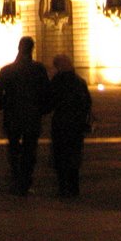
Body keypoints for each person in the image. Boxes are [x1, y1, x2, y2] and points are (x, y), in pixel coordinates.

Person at [0, 36, 50, 196]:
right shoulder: (39, 69)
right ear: (32, 49)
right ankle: (25, 181)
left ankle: (16, 179)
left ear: (19, 48)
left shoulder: (7, 70)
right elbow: (47, 92)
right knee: (30, 150)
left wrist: (3, 105)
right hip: (32, 117)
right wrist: (43, 109)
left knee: (14, 148)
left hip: (12, 116)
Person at [44, 54, 92, 198]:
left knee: (60, 157)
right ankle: (74, 187)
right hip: (77, 125)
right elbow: (87, 103)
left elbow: (49, 102)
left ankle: (63, 188)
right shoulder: (80, 81)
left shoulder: (57, 82)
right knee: (74, 157)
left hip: (61, 124)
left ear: (58, 67)